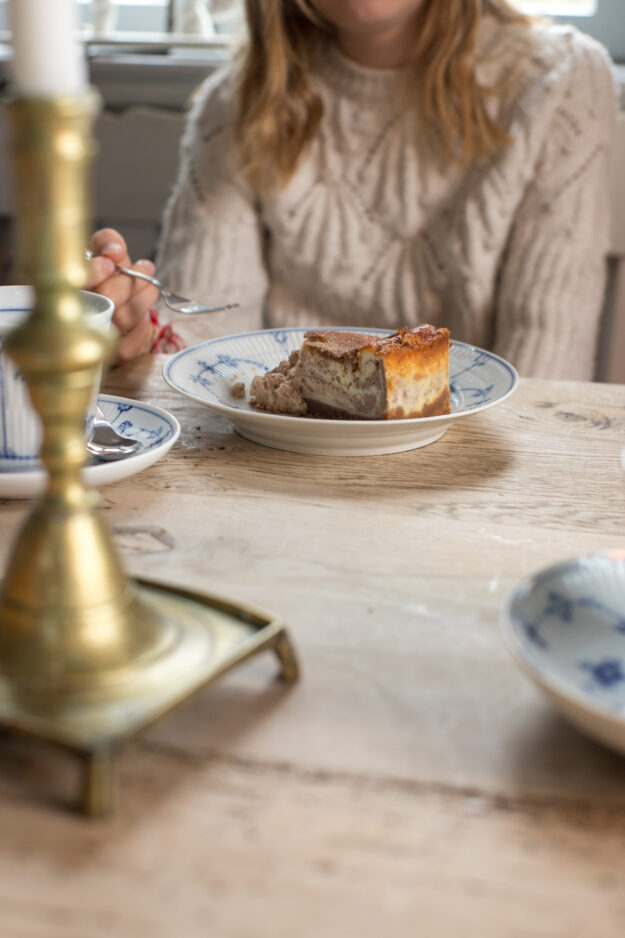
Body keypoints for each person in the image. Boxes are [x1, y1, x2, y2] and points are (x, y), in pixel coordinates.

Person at [87, 0, 616, 379]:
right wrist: (137, 335)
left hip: (477, 483)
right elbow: (207, 344)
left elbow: (546, 378)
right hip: (283, 460)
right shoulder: (242, 101)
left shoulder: (559, 83)